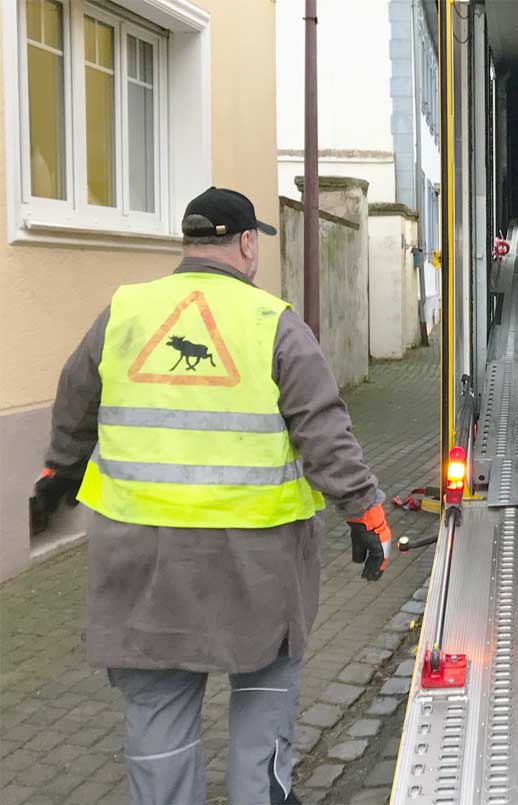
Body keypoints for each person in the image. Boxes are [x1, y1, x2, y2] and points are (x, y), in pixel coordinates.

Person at [32, 187, 395, 805]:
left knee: (157, 710)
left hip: (140, 562)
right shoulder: (272, 323)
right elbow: (324, 433)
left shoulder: (124, 311)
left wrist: (56, 475)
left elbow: (75, 400)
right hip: (254, 562)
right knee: (263, 692)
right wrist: (366, 513)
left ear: (190, 242)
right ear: (248, 243)